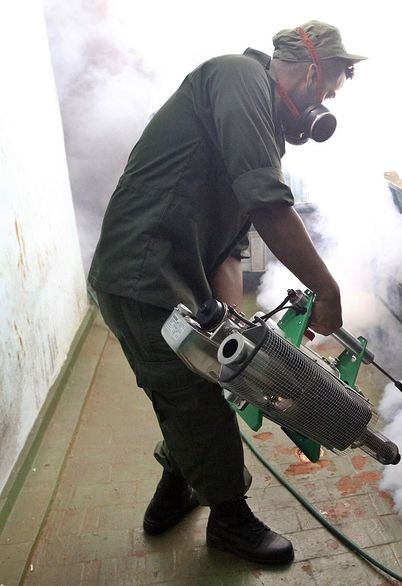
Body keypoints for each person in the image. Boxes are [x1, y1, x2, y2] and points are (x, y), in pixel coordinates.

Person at [87, 21, 364, 565]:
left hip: (174, 277)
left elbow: (230, 251)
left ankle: (175, 492)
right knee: (192, 399)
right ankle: (231, 522)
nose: (324, 107)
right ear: (312, 74)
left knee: (207, 381)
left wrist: (235, 331)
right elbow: (267, 204)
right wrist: (326, 289)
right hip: (143, 273)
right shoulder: (240, 78)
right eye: (329, 93)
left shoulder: (263, 125)